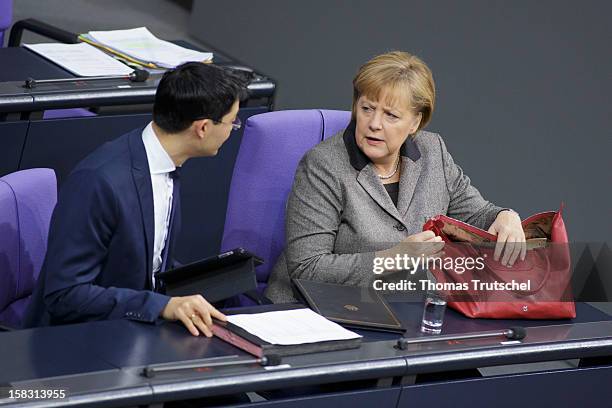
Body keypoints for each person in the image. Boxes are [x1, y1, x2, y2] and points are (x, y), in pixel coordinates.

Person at [265, 51, 526, 303]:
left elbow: (477, 214)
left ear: (415, 122)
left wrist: (505, 216)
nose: (374, 123)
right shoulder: (323, 165)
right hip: (324, 311)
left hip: (403, 309)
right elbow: (307, 269)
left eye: (390, 115)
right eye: (367, 108)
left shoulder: (432, 151)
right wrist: (394, 258)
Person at [24, 62, 245, 336]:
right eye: (231, 122)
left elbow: (147, 266)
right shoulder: (99, 182)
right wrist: (161, 306)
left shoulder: (166, 163)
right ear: (202, 128)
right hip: (77, 341)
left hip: (130, 326)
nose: (233, 129)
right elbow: (65, 294)